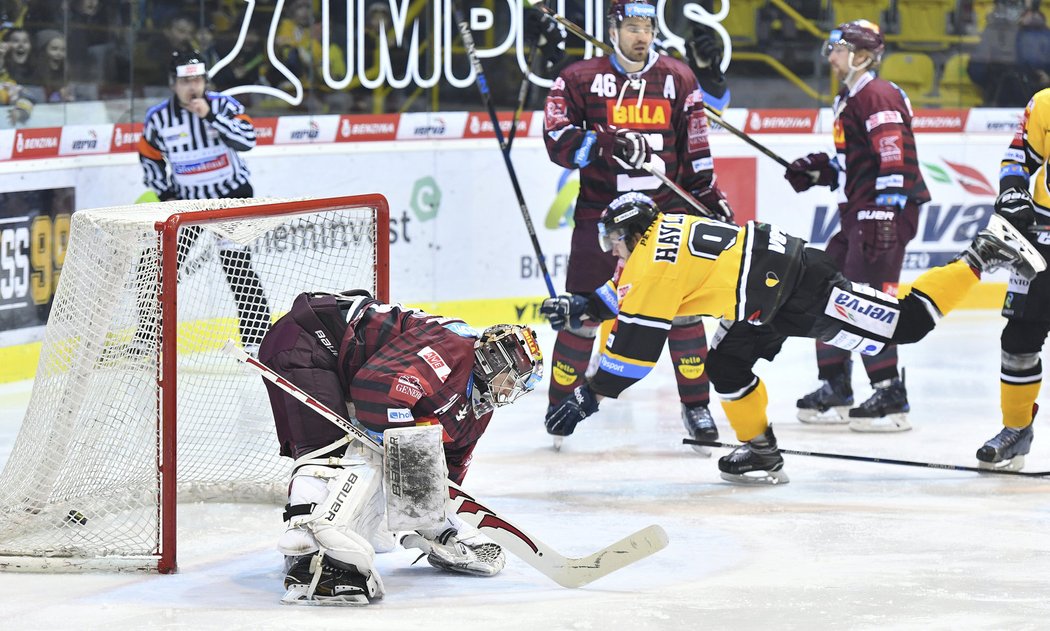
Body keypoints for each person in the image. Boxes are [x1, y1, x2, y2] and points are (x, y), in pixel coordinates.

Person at [540, 192, 1045, 485]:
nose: (612, 252)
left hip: (800, 291)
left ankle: (982, 253)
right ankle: (761, 450)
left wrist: (586, 399)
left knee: (905, 325)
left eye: (613, 241)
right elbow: (627, 290)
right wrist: (583, 306)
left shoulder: (649, 266)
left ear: (629, 234)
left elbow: (631, 360)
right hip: (767, 295)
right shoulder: (664, 230)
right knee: (726, 367)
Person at [258, 290, 544, 604]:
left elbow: (447, 471)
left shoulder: (478, 408)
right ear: (493, 358)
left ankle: (419, 530)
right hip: (307, 340)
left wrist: (429, 513)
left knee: (395, 454)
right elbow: (376, 391)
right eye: (512, 377)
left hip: (341, 366)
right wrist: (413, 462)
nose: (510, 389)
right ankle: (310, 558)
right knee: (329, 453)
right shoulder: (453, 347)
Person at [540, 0, 733, 451]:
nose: (640, 35)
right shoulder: (578, 78)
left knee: (682, 312)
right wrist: (603, 141)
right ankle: (559, 403)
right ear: (613, 29)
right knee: (583, 312)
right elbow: (557, 140)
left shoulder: (678, 77)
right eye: (631, 26)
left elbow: (696, 148)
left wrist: (708, 198)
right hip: (599, 217)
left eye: (646, 26)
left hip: (665, 219)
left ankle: (696, 404)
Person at [784, 20, 929, 433]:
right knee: (820, 288)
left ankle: (889, 393)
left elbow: (894, 159)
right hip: (858, 213)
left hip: (879, 215)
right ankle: (835, 385)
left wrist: (885, 212)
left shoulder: (877, 94)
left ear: (862, 55)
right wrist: (820, 172)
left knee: (867, 303)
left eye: (839, 48)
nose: (831, 55)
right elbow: (858, 164)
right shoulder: (849, 96)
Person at [137, 49, 272, 352]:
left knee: (238, 267)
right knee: (159, 267)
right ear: (173, 83)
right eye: (186, 81)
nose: (192, 86)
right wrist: (166, 195)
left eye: (197, 79)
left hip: (231, 197)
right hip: (186, 203)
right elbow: (149, 157)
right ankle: (146, 338)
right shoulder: (158, 117)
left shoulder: (224, 105)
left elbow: (247, 140)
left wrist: (210, 116)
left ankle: (256, 341)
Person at [974, 87, 1050, 471]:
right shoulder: (1046, 103)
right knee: (1018, 339)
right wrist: (1013, 191)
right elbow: (1018, 155)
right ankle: (1016, 429)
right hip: (1044, 238)